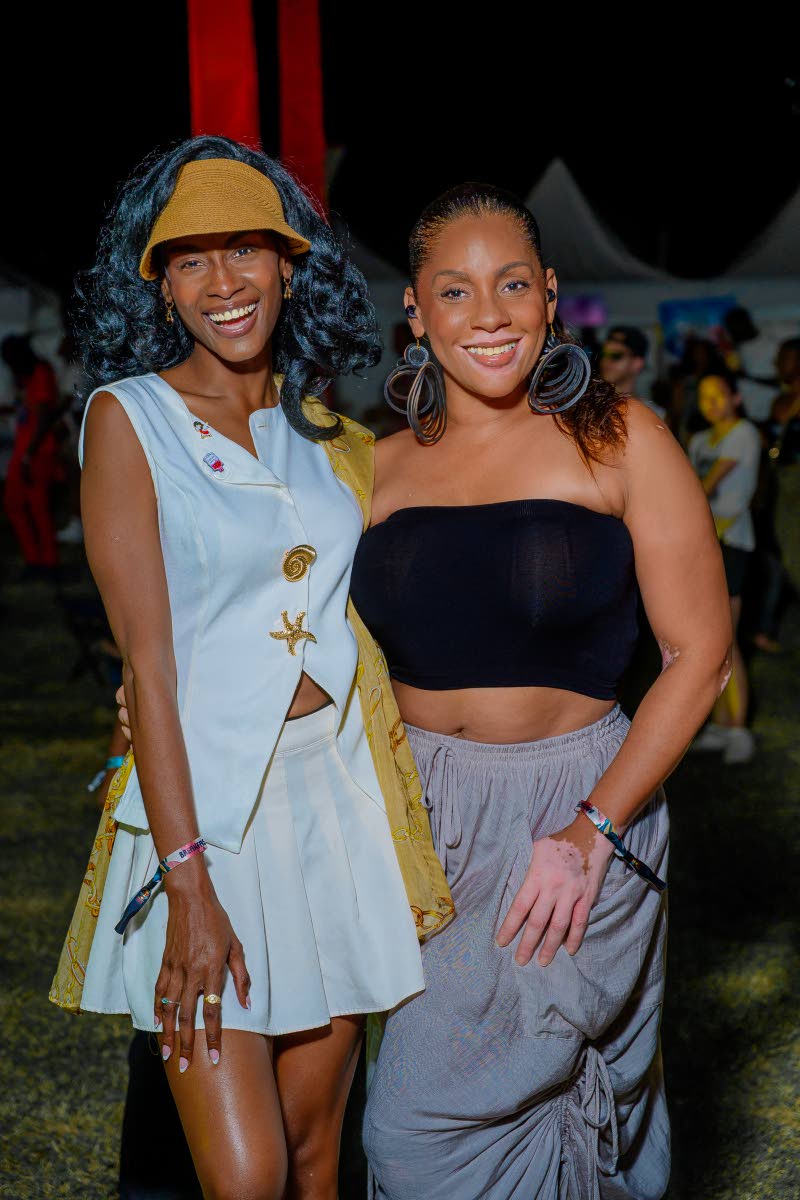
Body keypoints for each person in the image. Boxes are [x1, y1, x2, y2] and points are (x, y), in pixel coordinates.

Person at [49, 137, 454, 1200]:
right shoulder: (127, 421)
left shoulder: (328, 435)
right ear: (158, 282)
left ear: (288, 263)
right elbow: (147, 663)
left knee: (321, 1162)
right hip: (208, 827)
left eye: (245, 251)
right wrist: (186, 885)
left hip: (336, 811)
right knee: (245, 1177)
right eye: (190, 259)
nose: (223, 282)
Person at [353, 184, 732, 1199]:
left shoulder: (620, 440)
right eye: (455, 290)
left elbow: (699, 654)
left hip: (574, 810)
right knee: (414, 1118)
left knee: (426, 1125)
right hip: (421, 819)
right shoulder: (373, 469)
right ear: (416, 314)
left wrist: (589, 832)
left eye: (511, 284)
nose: (487, 313)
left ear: (550, 295)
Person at [688, 372, 760, 764]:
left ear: (735, 396)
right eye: (703, 395)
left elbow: (701, 487)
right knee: (707, 641)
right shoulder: (700, 441)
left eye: (718, 394)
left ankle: (739, 729)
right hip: (702, 547)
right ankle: (719, 723)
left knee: (728, 637)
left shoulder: (743, 433)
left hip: (730, 544)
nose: (710, 402)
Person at [1, 334, 62, 579]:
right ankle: (36, 560)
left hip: (37, 451)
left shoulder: (41, 371)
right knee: (14, 503)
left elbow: (45, 416)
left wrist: (28, 455)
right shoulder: (27, 376)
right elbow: (30, 410)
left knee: (38, 507)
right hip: (25, 450)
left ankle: (46, 563)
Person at [598, 324, 665, 418]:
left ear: (637, 363)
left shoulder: (653, 415)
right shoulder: (592, 409)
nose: (606, 361)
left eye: (616, 356)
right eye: (604, 354)